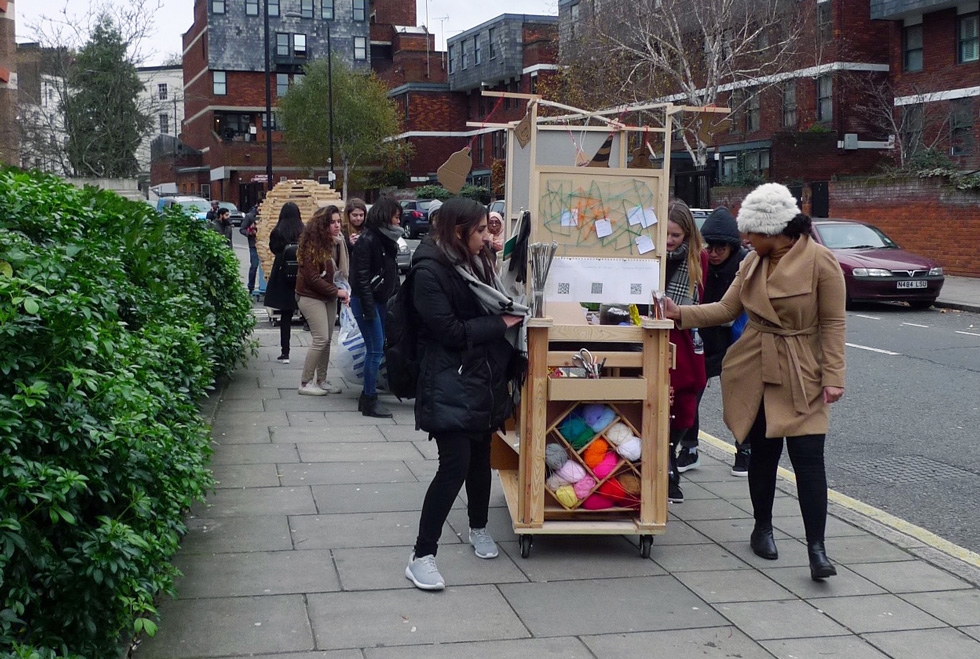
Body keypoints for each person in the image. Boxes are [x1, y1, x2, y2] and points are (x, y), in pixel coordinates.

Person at [663, 182, 846, 581]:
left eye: (753, 233)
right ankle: (762, 528)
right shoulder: (751, 264)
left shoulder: (821, 262)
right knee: (762, 454)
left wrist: (834, 376)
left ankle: (817, 548)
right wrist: (680, 313)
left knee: (809, 459)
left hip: (802, 369)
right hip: (757, 367)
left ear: (775, 229)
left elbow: (833, 323)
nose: (745, 239)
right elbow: (727, 309)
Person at [405, 196, 528, 591]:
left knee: (478, 458)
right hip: (446, 381)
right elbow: (451, 333)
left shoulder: (476, 263)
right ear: (459, 233)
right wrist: (502, 322)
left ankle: (478, 528)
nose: (486, 236)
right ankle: (421, 556)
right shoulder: (429, 271)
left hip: (479, 378)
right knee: (454, 464)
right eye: (479, 230)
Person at [680, 206, 752, 476]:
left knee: (739, 400)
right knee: (690, 394)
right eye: (709, 247)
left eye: (720, 248)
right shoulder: (697, 263)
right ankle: (689, 449)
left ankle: (744, 451)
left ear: (732, 246)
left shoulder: (746, 265)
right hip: (702, 337)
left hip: (735, 340)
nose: (713, 253)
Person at [663, 200, 707, 505]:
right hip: (654, 332)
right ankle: (664, 467)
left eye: (675, 236)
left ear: (687, 234)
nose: (668, 241)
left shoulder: (698, 258)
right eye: (665, 234)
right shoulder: (651, 254)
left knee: (686, 402)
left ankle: (670, 453)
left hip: (685, 332)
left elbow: (702, 301)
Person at [349, 196, 402, 418]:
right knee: (374, 350)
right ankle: (370, 398)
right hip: (366, 302)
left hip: (377, 300)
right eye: (397, 217)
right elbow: (360, 277)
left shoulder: (383, 239)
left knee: (376, 348)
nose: (399, 222)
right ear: (386, 216)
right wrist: (369, 310)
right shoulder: (369, 240)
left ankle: (367, 397)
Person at [295, 205, 350, 396]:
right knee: (321, 338)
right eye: (332, 222)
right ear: (322, 225)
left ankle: (322, 380)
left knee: (327, 340)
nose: (337, 226)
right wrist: (337, 292)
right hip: (310, 296)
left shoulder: (337, 242)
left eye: (338, 222)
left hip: (328, 295)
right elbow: (313, 278)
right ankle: (305, 382)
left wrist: (340, 290)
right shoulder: (311, 246)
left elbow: (338, 273)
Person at [264, 202, 305, 364]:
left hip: (282, 275)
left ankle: (285, 352)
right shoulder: (303, 230)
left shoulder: (278, 231)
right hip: (301, 275)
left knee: (286, 316)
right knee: (308, 311)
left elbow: (273, 249)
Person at [240, 204, 260, 297]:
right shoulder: (250, 216)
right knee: (254, 265)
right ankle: (251, 287)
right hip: (254, 245)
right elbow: (242, 229)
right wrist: (250, 233)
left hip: (267, 245)